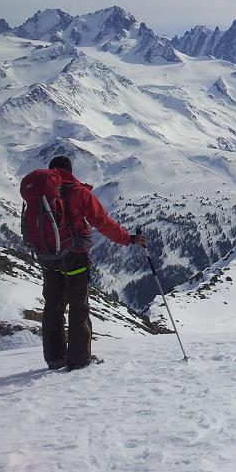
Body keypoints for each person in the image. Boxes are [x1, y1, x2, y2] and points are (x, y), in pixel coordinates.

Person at [38, 155, 146, 371]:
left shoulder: (41, 194)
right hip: (75, 256)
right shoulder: (79, 193)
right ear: (70, 171)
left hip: (48, 257)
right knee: (79, 305)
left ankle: (54, 357)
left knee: (53, 305)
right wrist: (129, 238)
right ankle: (79, 360)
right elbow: (103, 222)